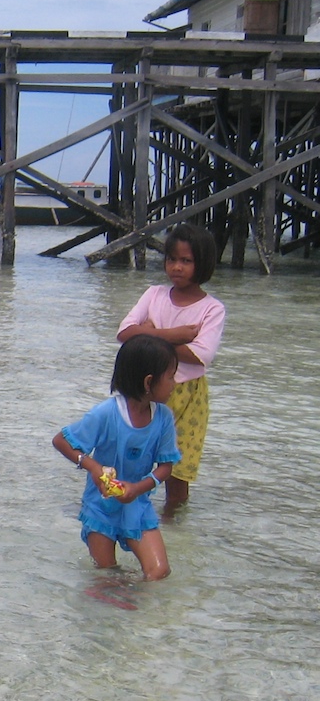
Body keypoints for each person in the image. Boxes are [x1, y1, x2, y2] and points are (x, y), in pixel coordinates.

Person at [117, 222, 226, 515]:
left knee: (178, 469)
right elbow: (124, 333)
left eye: (186, 261)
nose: (177, 267)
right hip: (145, 390)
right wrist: (174, 335)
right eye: (172, 259)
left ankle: (172, 525)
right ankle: (122, 512)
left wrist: (149, 335)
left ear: (203, 263)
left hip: (188, 396)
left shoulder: (212, 309)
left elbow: (200, 355)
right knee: (128, 458)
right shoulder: (154, 294)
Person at [52, 335, 182, 581]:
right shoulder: (105, 413)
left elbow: (166, 467)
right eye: (170, 377)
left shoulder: (163, 418)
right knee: (107, 577)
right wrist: (93, 467)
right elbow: (61, 441)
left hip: (138, 505)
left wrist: (137, 488)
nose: (174, 384)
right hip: (100, 507)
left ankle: (140, 602)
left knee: (158, 572)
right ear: (148, 382)